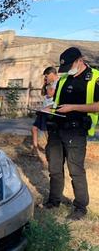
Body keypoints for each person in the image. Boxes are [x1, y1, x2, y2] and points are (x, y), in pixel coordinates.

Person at [44, 47, 99, 220]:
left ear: (79, 61)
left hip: (76, 131)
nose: (67, 70)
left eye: (69, 66)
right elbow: (58, 102)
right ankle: (54, 201)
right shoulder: (64, 79)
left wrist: (73, 108)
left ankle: (80, 207)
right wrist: (49, 108)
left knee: (75, 170)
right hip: (57, 128)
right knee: (54, 168)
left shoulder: (95, 78)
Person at [31, 67, 58, 162]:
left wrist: (48, 84)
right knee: (34, 128)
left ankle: (52, 151)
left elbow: (50, 94)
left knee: (47, 132)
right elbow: (44, 94)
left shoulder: (57, 83)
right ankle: (35, 149)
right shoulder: (49, 83)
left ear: (52, 74)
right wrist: (46, 83)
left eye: (46, 76)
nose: (45, 78)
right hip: (44, 110)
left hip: (50, 111)